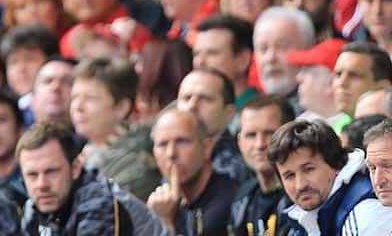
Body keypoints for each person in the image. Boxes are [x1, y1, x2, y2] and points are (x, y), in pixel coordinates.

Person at [18, 121, 169, 236]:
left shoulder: (99, 201)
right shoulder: (33, 208)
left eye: (51, 172)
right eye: (32, 175)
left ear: (76, 168)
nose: (42, 184)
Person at [267, 118, 392, 234]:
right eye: (289, 176)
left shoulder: (368, 213)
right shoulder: (304, 219)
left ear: (335, 164)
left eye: (309, 169)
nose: (300, 185)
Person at [146, 106, 235, 236]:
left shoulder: (232, 201)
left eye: (182, 141)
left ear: (206, 148)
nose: (171, 153)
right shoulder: (161, 201)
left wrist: (163, 222)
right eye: (163, 144)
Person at [229, 94, 294, 236]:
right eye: (251, 135)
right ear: (240, 142)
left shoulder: (301, 195)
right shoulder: (242, 198)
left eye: (270, 133)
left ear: (289, 135)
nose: (260, 144)